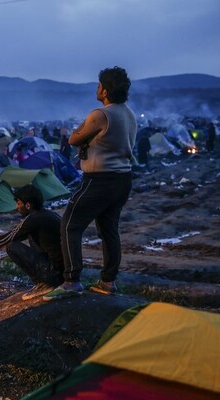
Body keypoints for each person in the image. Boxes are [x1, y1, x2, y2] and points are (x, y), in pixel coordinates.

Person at [44, 66, 137, 301]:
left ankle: (71, 281)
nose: (97, 89)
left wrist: (82, 132)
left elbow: (75, 138)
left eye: (99, 85)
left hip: (99, 179)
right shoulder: (129, 114)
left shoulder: (100, 114)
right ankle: (108, 281)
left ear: (105, 90)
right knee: (108, 230)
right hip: (122, 179)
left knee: (69, 225)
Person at [0, 185, 64, 300]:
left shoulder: (33, 219)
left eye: (19, 203)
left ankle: (43, 284)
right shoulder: (48, 214)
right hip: (63, 272)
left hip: (54, 273)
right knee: (29, 237)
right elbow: (17, 235)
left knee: (11, 246)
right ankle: (46, 282)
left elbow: (8, 238)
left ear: (28, 205)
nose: (17, 207)